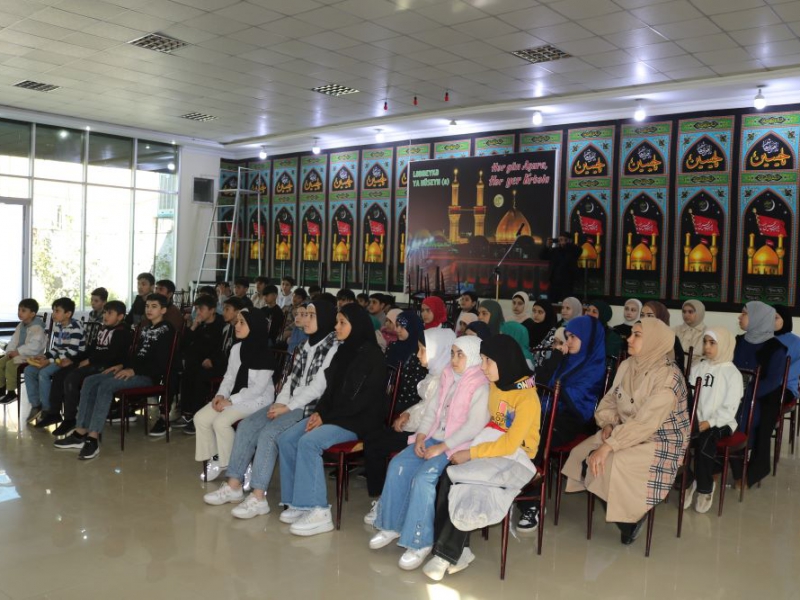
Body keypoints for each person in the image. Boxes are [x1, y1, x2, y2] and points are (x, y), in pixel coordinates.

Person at [202, 301, 339, 516]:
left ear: (324, 318)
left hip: (309, 408)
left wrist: (289, 406)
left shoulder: (332, 347)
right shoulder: (305, 345)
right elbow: (292, 378)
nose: (303, 319)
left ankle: (258, 497)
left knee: (268, 434)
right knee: (247, 426)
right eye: (303, 314)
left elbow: (317, 387)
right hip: (290, 404)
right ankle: (234, 485)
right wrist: (280, 402)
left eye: (310, 315)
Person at [423, 334, 541, 581]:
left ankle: (447, 554)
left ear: (505, 361)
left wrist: (471, 453)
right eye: (483, 359)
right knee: (450, 476)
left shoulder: (527, 398)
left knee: (467, 480)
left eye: (488, 361)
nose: (482, 367)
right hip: (491, 447)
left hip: (516, 458)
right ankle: (457, 549)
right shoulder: (497, 384)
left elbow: (510, 444)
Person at [562, 319, 690, 545]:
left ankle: (629, 519)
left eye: (637, 335)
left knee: (610, 462)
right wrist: (609, 424)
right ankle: (626, 516)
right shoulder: (629, 365)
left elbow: (645, 423)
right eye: (631, 333)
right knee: (582, 455)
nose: (629, 339)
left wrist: (608, 446)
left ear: (653, 341)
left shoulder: (669, 377)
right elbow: (610, 400)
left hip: (661, 440)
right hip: (624, 431)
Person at [369, 336, 489, 571]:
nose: (453, 359)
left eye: (460, 355)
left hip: (457, 446)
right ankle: (392, 525)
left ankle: (419, 540)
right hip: (433, 437)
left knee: (424, 479)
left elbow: (472, 428)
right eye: (452, 353)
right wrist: (422, 436)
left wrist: (441, 447)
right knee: (398, 465)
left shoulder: (480, 385)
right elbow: (432, 411)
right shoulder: (447, 375)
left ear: (473, 357)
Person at [277, 304, 387, 536]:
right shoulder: (342, 351)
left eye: (342, 323)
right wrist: (319, 412)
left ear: (355, 325)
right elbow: (329, 391)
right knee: (287, 438)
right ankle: (298, 501)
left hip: (358, 422)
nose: (336, 327)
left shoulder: (373, 357)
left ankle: (319, 511)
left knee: (309, 442)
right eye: (337, 322)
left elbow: (361, 402)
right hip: (334, 416)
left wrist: (326, 417)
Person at [54, 294, 175, 460]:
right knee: (89, 381)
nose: (149, 309)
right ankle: (80, 432)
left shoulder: (167, 330)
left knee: (105, 386)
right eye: (147, 306)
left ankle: (93, 438)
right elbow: (134, 356)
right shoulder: (146, 328)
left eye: (154, 306)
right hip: (132, 370)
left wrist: (133, 370)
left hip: (148, 377)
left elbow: (160, 363)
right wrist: (122, 366)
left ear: (163, 310)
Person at [518, 315, 606, 530]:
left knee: (535, 439)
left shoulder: (594, 366)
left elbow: (573, 396)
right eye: (566, 336)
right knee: (518, 430)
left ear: (587, 338)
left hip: (572, 421)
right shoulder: (566, 359)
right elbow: (537, 381)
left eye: (573, 337)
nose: (568, 342)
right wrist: (556, 355)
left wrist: (553, 389)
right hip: (548, 413)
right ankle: (517, 484)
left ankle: (531, 503)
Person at [363, 326, 455, 525]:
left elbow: (430, 415)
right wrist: (406, 413)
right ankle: (385, 497)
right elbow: (423, 405)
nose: (418, 354)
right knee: (373, 438)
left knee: (376, 445)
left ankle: (384, 500)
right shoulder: (434, 373)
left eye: (423, 350)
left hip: (425, 435)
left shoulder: (445, 379)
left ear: (439, 351)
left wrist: (405, 421)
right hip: (417, 427)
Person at [194, 309, 276, 481]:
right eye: (237, 322)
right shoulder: (237, 348)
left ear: (254, 326)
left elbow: (258, 389)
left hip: (257, 400)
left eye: (241, 322)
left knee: (221, 422)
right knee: (200, 418)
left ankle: (240, 463)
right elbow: (229, 376)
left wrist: (231, 401)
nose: (236, 326)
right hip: (233, 397)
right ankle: (217, 457)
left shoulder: (265, 353)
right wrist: (220, 395)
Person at [50, 300, 132, 437]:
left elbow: (111, 355)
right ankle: (54, 413)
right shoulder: (103, 329)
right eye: (105, 312)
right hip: (94, 362)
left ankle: (71, 418)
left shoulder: (122, 332)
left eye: (109, 313)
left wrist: (89, 361)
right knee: (60, 374)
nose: (105, 315)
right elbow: (90, 349)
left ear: (120, 317)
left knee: (72, 378)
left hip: (106, 367)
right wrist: (73, 359)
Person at [684, 327, 743, 514]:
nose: (707, 347)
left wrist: (710, 422)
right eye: (705, 342)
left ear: (724, 345)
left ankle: (704, 487)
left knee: (706, 440)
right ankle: (688, 481)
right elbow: (689, 399)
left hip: (722, 423)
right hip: (697, 420)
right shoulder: (698, 368)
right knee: (678, 438)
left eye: (712, 343)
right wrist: (693, 420)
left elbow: (730, 408)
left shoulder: (732, 374)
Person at [733, 301, 788, 487]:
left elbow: (772, 381)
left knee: (746, 417)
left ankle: (748, 471)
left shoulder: (776, 348)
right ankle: (718, 464)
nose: (739, 317)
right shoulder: (738, 341)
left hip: (760, 397)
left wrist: (746, 392)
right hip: (733, 393)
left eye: (744, 314)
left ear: (758, 318)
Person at [27, 297, 85, 427]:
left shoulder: (76, 327)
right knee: (29, 370)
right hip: (58, 359)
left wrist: (49, 361)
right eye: (53, 310)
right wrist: (45, 356)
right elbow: (57, 348)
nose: (53, 313)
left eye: (57, 311)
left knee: (44, 373)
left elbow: (72, 353)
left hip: (71, 361)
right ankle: (36, 405)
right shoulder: (59, 327)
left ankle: (48, 410)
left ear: (68, 314)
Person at [174, 294, 226, 434]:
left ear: (212, 310)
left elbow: (224, 349)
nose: (198, 312)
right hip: (198, 364)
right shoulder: (199, 324)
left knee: (198, 377)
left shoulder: (221, 325)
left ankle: (198, 417)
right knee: (186, 374)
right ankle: (186, 414)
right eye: (196, 309)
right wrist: (193, 327)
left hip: (216, 365)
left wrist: (212, 360)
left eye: (201, 309)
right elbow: (183, 346)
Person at [0, 299, 45, 404]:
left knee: (11, 365)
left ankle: (11, 392)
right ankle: (1, 389)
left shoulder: (37, 328)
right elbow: (14, 340)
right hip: (18, 354)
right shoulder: (20, 325)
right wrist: (10, 351)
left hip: (32, 356)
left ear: (32, 314)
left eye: (23, 310)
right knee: (1, 362)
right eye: (19, 309)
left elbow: (35, 346)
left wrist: (18, 352)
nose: (20, 313)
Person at [642, 301, 685, 369]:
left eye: (649, 315)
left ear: (660, 318)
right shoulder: (638, 336)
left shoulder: (671, 339)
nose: (644, 319)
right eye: (642, 315)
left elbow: (672, 367)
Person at [540, 232, 581, 302]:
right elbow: (542, 256)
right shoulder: (555, 251)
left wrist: (567, 244)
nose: (561, 241)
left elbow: (579, 251)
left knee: (566, 303)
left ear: (568, 240)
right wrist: (547, 246)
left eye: (563, 239)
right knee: (551, 303)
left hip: (567, 284)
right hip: (554, 283)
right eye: (560, 239)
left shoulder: (572, 251)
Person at [774, 304, 800, 400]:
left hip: (786, 387)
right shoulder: (763, 339)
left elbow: (793, 371)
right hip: (763, 385)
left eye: (775, 318)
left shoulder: (796, 342)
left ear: (785, 320)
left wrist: (771, 381)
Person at [674, 300, 706, 364]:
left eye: (690, 312)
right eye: (684, 311)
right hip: (676, 369)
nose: (686, 315)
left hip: (698, 370)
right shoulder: (674, 331)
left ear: (699, 313)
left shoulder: (707, 333)